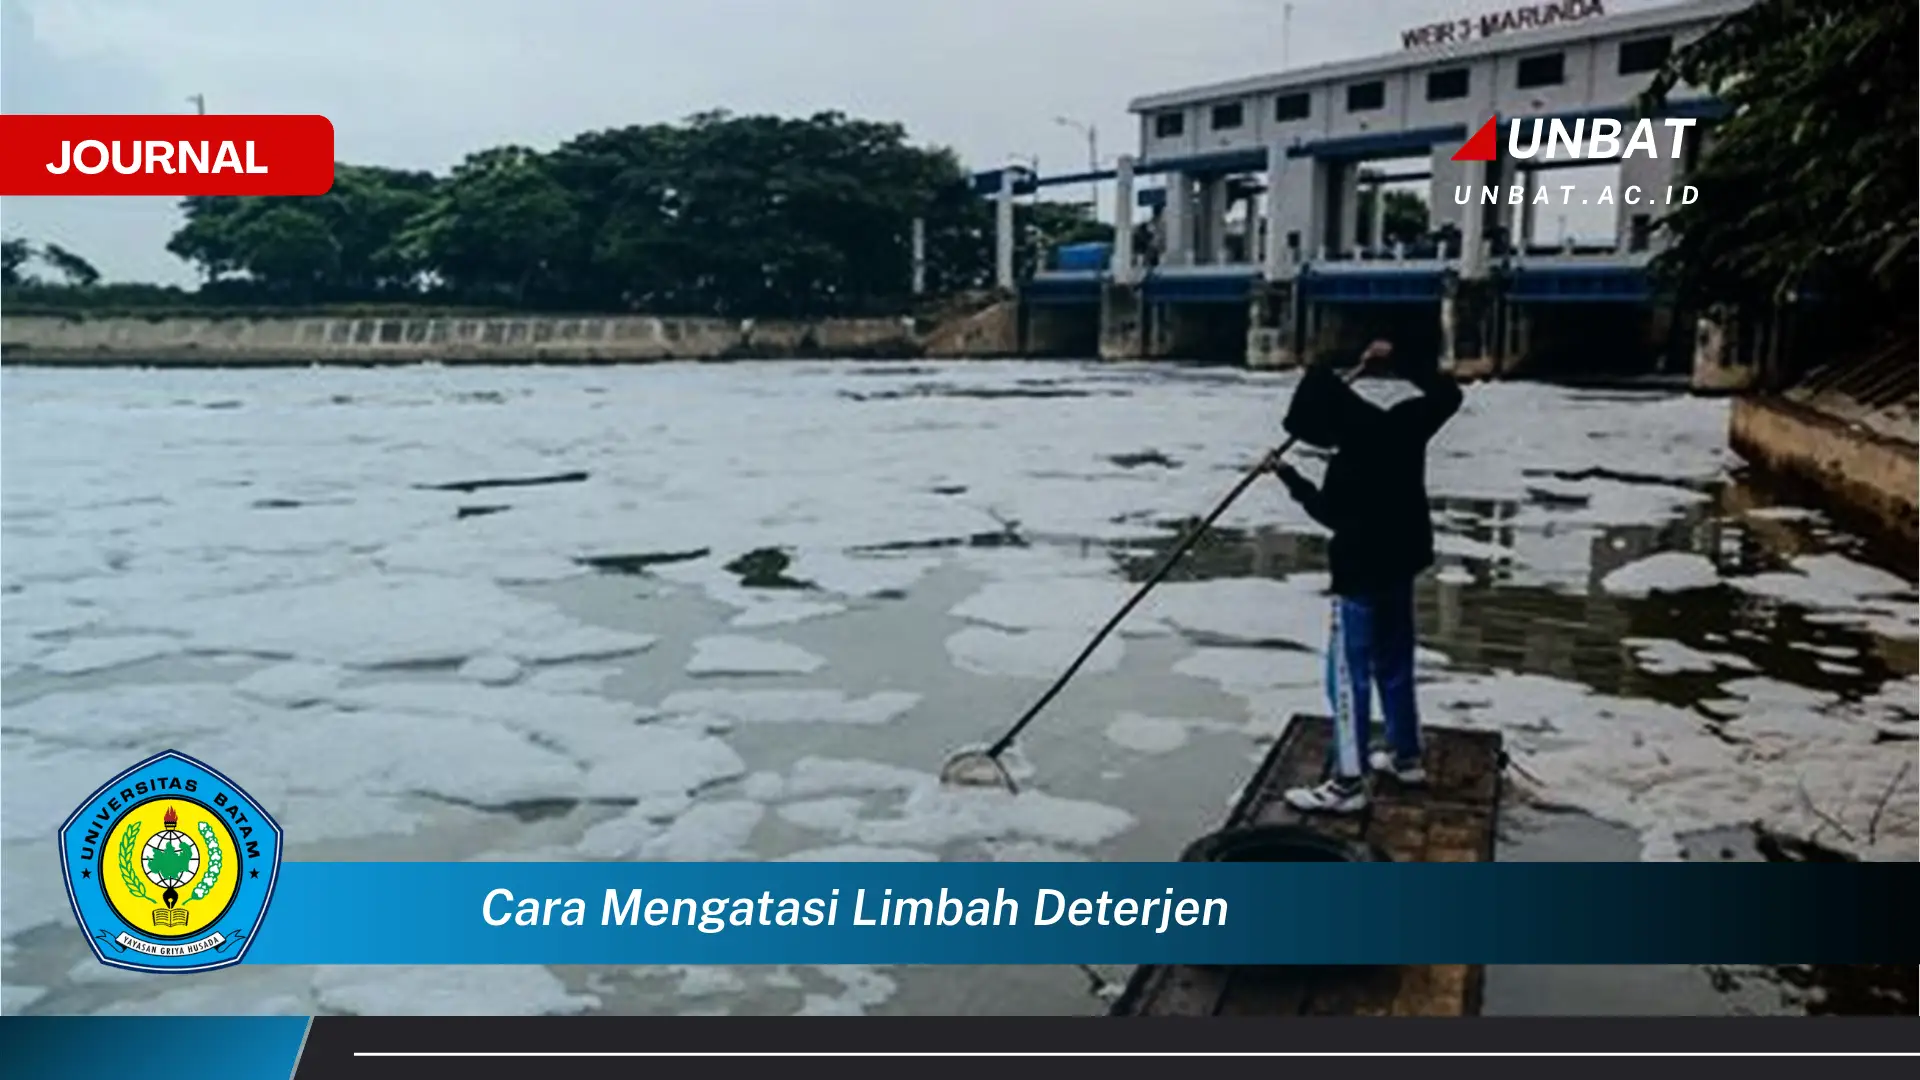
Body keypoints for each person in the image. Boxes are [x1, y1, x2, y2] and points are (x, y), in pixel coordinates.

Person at [1266, 339, 1463, 814]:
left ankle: (1347, 783)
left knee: (1347, 678)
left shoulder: (1348, 462)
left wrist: (1288, 477)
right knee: (1394, 662)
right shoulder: (1403, 425)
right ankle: (1406, 756)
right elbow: (1448, 396)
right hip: (1401, 565)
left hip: (1359, 577)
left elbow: (1330, 513)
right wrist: (1399, 359)